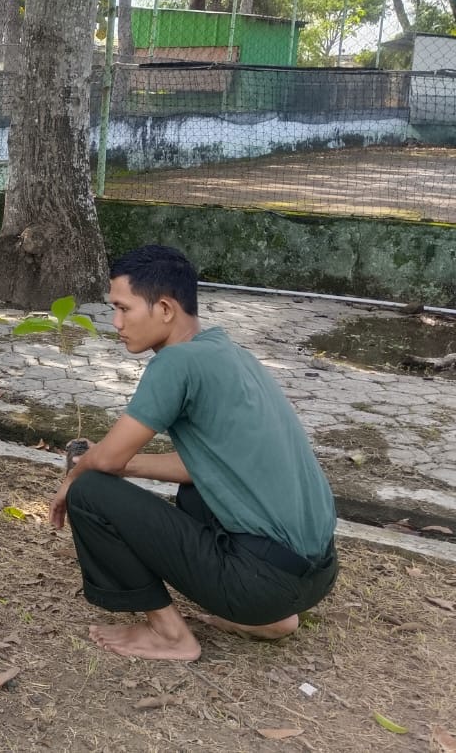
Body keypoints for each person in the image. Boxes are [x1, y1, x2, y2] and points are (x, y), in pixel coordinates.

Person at [49, 245, 338, 661]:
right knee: (194, 490)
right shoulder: (231, 353)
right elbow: (201, 465)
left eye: (123, 308)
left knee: (91, 491)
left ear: (165, 308)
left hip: (260, 584)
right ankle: (273, 618)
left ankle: (170, 635)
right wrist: (113, 463)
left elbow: (107, 461)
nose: (116, 323)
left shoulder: (175, 363)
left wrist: (75, 476)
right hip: (315, 576)